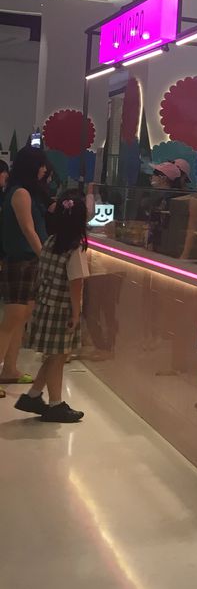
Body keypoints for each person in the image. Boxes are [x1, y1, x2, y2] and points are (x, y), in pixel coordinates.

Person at [14, 192, 88, 422]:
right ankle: (55, 404)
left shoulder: (50, 241)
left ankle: (34, 395)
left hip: (46, 304)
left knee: (55, 355)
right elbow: (76, 284)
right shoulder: (75, 249)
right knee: (58, 358)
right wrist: (76, 313)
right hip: (62, 310)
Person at [0, 147, 50, 395]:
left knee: (20, 318)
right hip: (20, 262)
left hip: (27, 262)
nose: (44, 169)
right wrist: (45, 257)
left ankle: (10, 369)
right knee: (12, 320)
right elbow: (28, 230)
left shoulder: (23, 192)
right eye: (41, 165)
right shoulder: (20, 193)